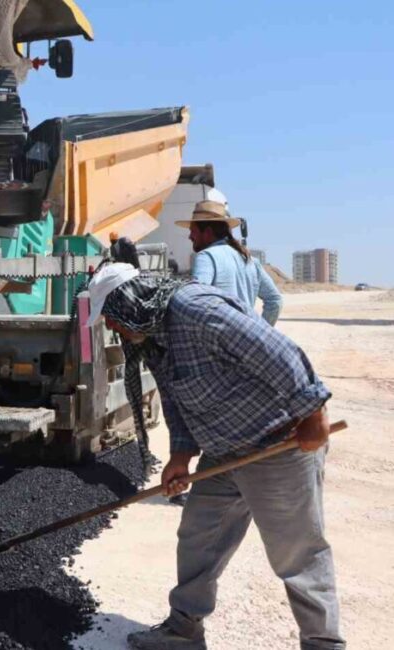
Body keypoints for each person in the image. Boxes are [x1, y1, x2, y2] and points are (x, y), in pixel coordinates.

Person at [84, 264, 343, 650]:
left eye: (112, 318)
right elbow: (175, 399)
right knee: (198, 538)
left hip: (277, 445)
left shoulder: (195, 311)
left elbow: (280, 353)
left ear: (129, 303)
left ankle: (323, 644)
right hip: (224, 452)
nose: (114, 328)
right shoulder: (152, 338)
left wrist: (314, 414)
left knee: (297, 555)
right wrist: (181, 455)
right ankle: (184, 629)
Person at [178, 200, 283, 325]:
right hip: (246, 340)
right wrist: (260, 332)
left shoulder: (206, 257)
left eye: (193, 231)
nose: (190, 236)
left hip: (218, 343)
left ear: (208, 232)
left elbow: (195, 301)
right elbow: (275, 300)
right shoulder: (250, 260)